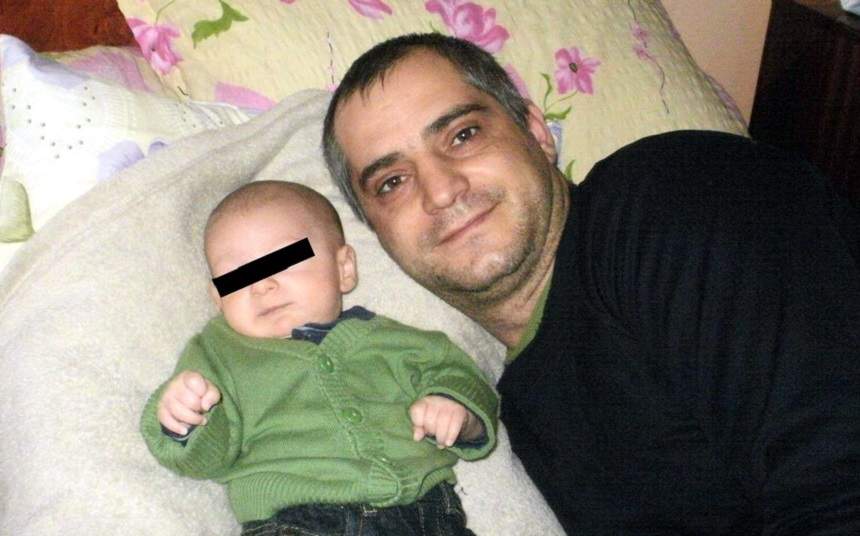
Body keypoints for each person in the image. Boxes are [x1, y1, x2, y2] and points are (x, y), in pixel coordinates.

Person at [322, 33, 860, 534]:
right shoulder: (507, 419)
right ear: (378, 236)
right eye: (392, 182)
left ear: (536, 132)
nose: (441, 190)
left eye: (463, 135)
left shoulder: (665, 195)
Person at [140, 180, 498, 535]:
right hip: (295, 521)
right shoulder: (218, 355)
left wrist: (456, 409)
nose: (261, 285)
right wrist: (183, 419)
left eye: (284, 260)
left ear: (344, 269)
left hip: (427, 515)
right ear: (218, 298)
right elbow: (205, 459)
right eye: (238, 275)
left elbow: (461, 377)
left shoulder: (400, 344)